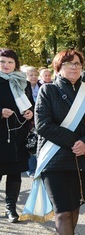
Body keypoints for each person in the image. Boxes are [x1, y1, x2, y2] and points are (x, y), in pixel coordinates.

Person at [34, 49, 85, 234]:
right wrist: (76, 142)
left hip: (82, 158)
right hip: (55, 160)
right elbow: (43, 124)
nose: (74, 67)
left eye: (77, 63)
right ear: (58, 67)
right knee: (63, 211)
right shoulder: (48, 90)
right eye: (68, 63)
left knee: (74, 208)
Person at [0, 48, 34, 223]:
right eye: (2, 61)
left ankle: (11, 209)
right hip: (0, 136)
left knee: (15, 174)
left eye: (10, 62)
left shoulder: (24, 82)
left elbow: (32, 104)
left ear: (16, 64)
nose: (6, 65)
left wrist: (31, 113)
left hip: (18, 136)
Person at [25, 66, 42, 177]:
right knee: (30, 144)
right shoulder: (23, 88)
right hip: (28, 121)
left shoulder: (42, 87)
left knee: (38, 144)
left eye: (35, 74)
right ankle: (31, 169)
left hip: (40, 119)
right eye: (31, 75)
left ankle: (39, 168)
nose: (34, 77)